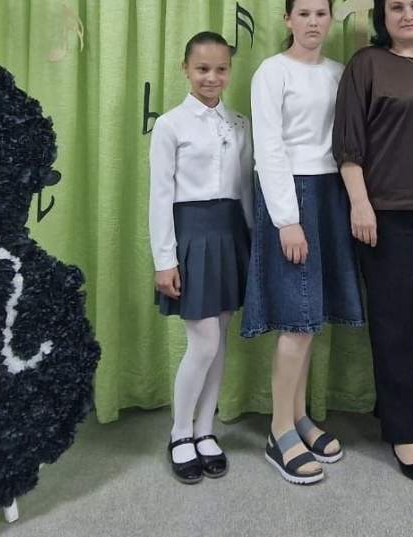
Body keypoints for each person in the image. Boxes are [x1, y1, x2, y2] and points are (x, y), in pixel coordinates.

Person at [332, 0, 413, 484]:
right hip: (382, 212)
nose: (408, 15)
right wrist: (360, 204)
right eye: (397, 7)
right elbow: (348, 143)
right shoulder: (366, 64)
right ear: (383, 17)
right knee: (392, 321)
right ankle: (404, 433)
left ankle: (397, 409)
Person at [241, 0, 365, 485]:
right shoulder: (272, 72)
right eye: (304, 13)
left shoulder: (339, 73)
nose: (314, 22)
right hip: (290, 196)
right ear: (287, 19)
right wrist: (286, 219)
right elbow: (268, 148)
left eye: (321, 13)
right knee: (296, 317)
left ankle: (298, 416)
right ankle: (278, 431)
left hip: (331, 193)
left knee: (311, 319)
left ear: (331, 19)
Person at [148, 31, 253, 484]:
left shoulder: (240, 124)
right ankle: (179, 432)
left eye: (221, 69)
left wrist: (254, 241)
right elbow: (160, 194)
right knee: (204, 341)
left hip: (231, 234)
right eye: (202, 69)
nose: (212, 77)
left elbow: (245, 189)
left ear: (230, 71)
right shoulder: (170, 125)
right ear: (185, 69)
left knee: (220, 338)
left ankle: (206, 429)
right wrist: (164, 259)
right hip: (191, 234)